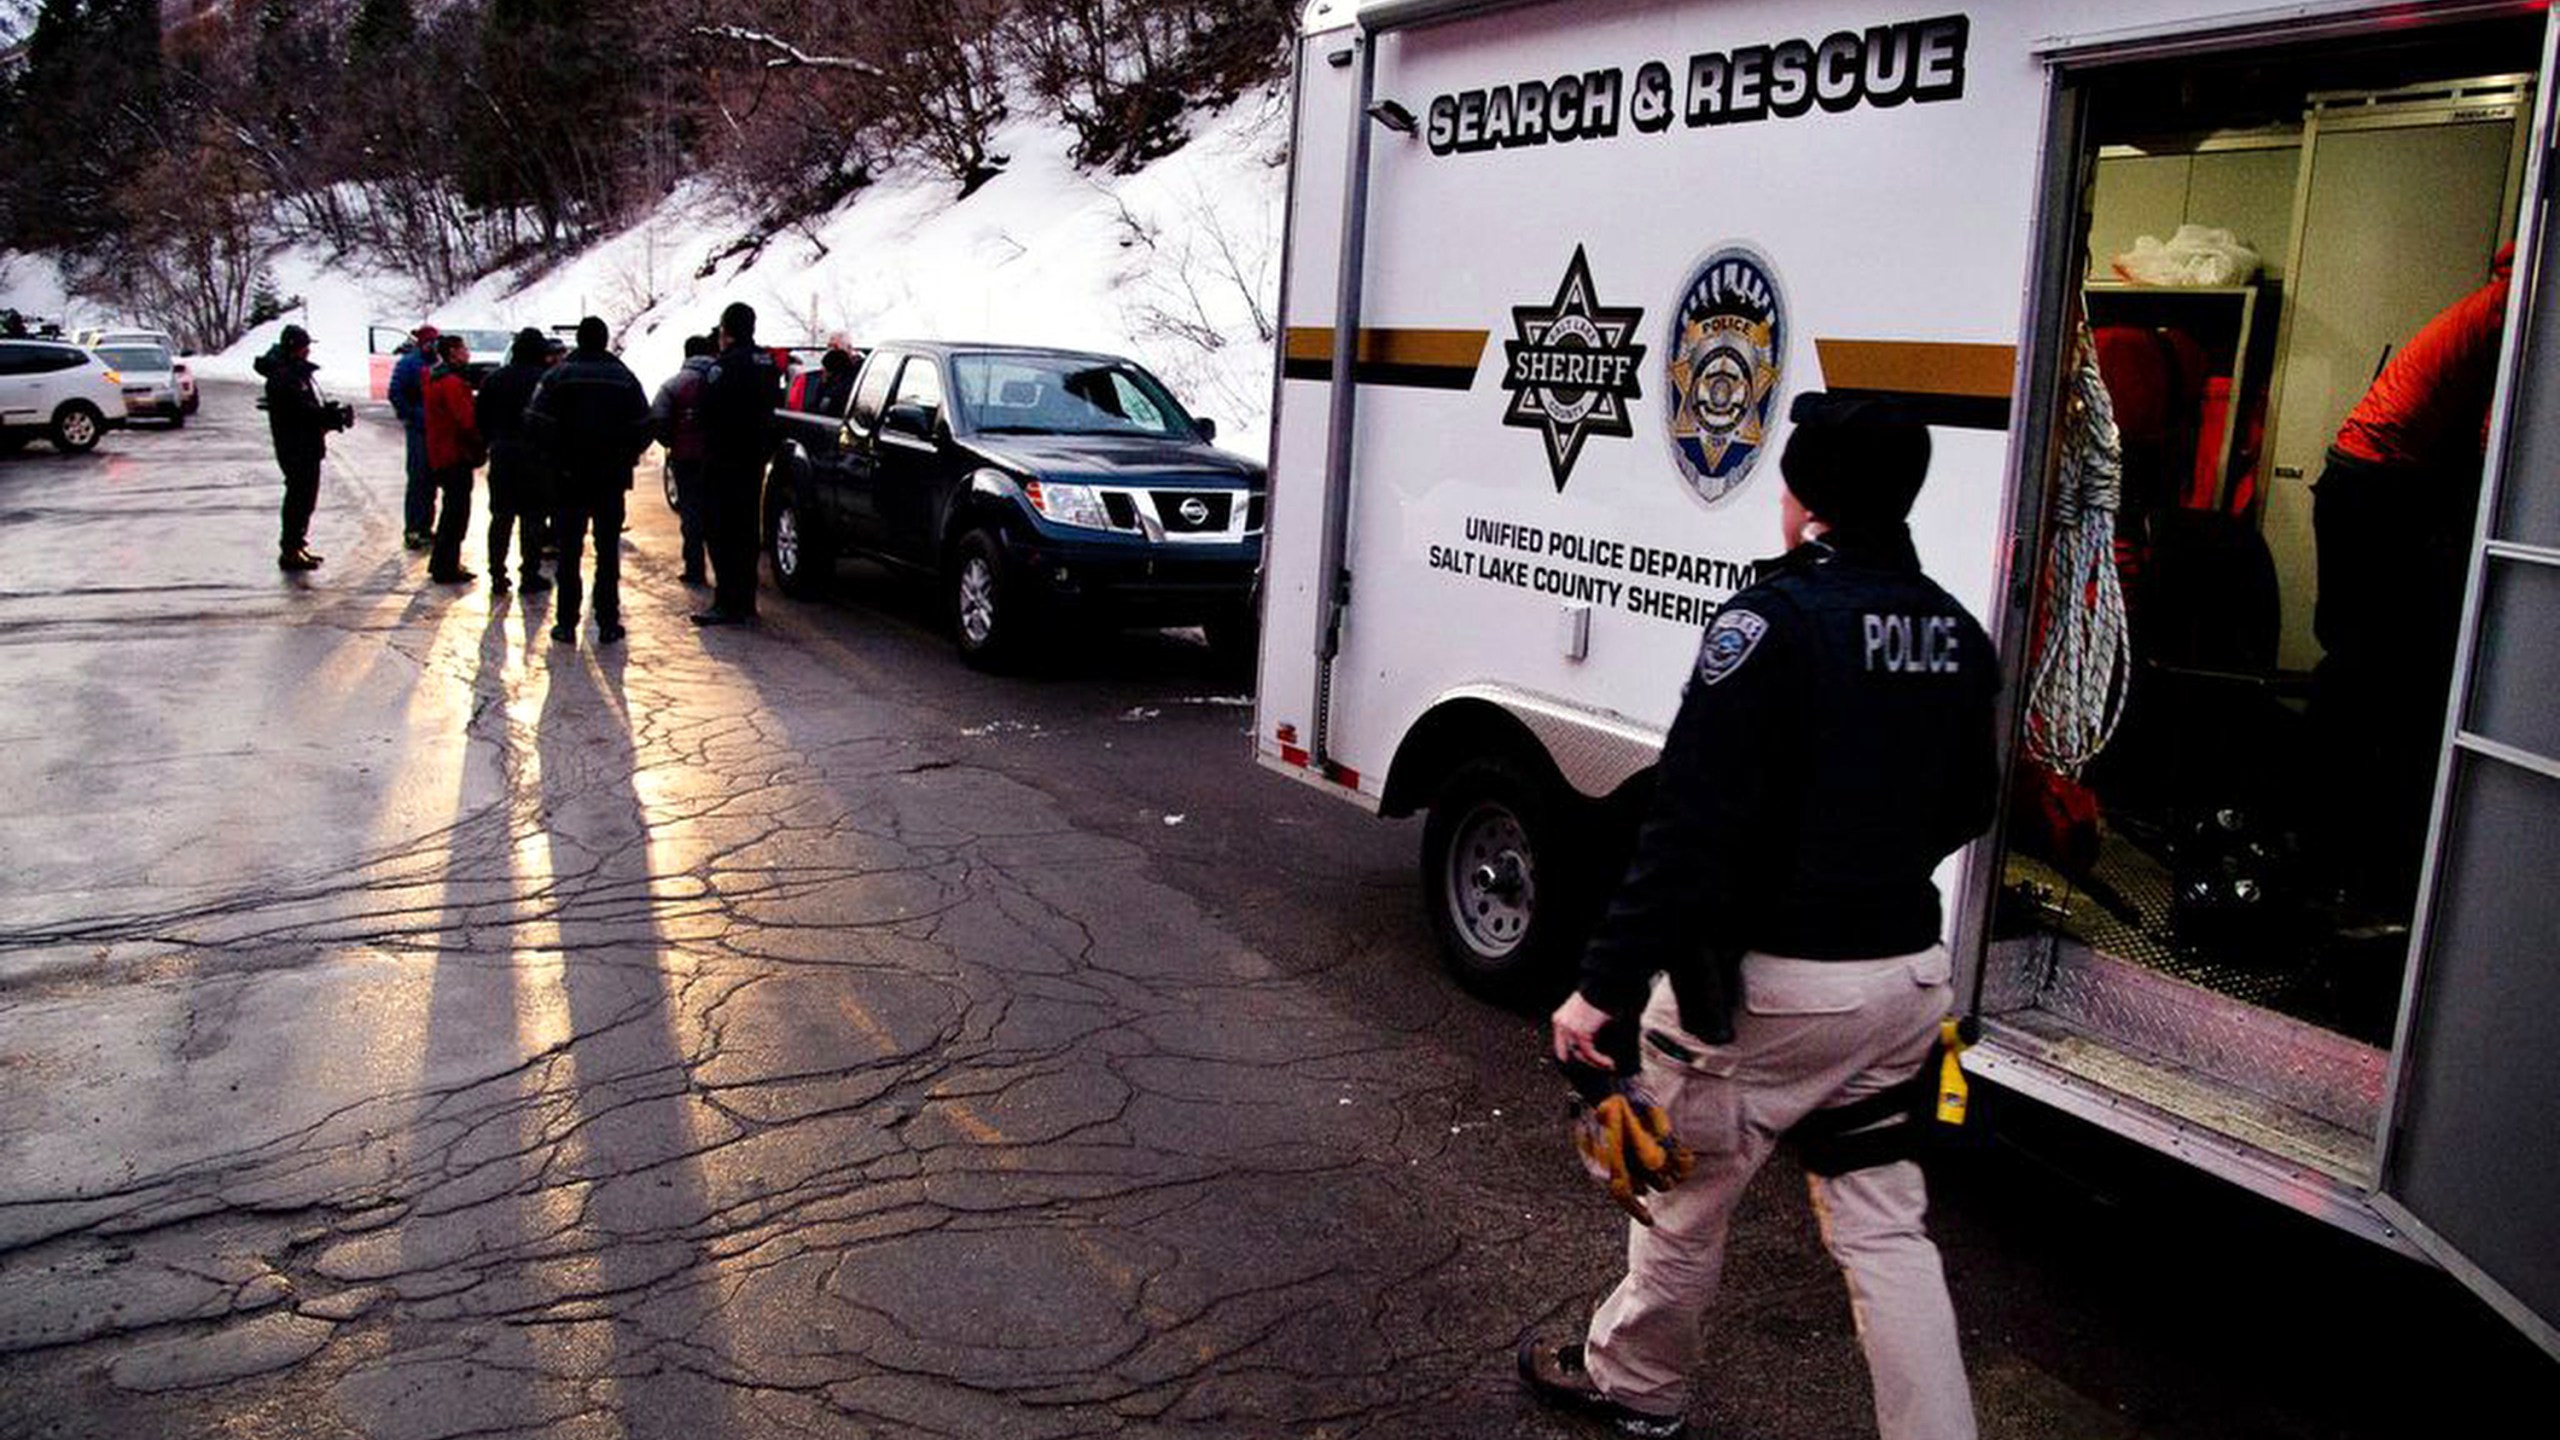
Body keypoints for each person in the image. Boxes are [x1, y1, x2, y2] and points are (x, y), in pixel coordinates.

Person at [1521, 393, 1999, 1440]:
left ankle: (1634, 1387)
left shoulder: (1767, 624)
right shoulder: (1955, 631)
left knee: (1681, 1199)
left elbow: (1686, 824)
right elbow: (1973, 801)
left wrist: (1599, 988)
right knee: (1885, 1227)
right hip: (1903, 985)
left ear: (1806, 498)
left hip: (1766, 995)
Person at [2310, 242, 2514, 914]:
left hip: (2361, 477)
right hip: (2380, 485)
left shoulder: (2493, 300)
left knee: (2360, 656)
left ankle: (2327, 817)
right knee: (2375, 666)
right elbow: (2497, 437)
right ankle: (2335, 828)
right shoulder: (2517, 307)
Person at [526, 316, 653, 646]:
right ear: (605, 339)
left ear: (579, 341)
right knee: (607, 551)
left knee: (569, 552)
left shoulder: (558, 376)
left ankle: (566, 623)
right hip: (611, 479)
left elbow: (536, 421)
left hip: (568, 478)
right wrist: (625, 456)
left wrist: (555, 457)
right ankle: (608, 621)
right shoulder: (624, 377)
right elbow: (644, 423)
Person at [694, 302, 781, 627]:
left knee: (720, 530)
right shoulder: (767, 363)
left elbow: (705, 412)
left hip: (724, 459)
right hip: (754, 459)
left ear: (725, 331)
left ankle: (726, 601)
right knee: (746, 531)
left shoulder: (724, 367)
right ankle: (746, 601)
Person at [253, 323, 340, 572]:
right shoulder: (283, 377)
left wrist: (326, 415)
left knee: (304, 498)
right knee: (298, 498)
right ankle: (290, 549)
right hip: (295, 446)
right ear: (294, 347)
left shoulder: (294, 373)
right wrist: (325, 416)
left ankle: (296, 545)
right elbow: (299, 411)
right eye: (305, 346)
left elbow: (305, 408)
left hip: (305, 444)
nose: (308, 351)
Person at [476, 328, 554, 595]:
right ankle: (529, 573)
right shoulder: (546, 380)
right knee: (533, 517)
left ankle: (497, 573)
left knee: (500, 516)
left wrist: (491, 441)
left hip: (502, 454)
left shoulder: (494, 379)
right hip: (536, 456)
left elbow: (481, 418)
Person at [651, 332, 718, 586]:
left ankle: (695, 569)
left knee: (690, 512)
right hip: (717, 457)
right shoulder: (720, 380)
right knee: (716, 512)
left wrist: (671, 441)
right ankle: (724, 573)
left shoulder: (674, 384)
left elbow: (657, 419)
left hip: (685, 456)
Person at [420, 333, 485, 584]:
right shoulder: (452, 383)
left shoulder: (433, 379)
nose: (467, 353)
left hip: (440, 452)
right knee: (456, 513)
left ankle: (442, 561)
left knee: (451, 510)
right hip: (454, 453)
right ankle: (446, 564)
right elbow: (465, 420)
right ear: (452, 352)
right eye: (463, 349)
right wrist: (478, 443)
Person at [387, 324, 440, 550]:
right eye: (429, 341)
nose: (432, 345)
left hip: (436, 428)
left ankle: (426, 526)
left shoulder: (437, 364)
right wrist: (411, 415)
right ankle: (413, 528)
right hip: (419, 428)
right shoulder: (409, 364)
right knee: (419, 478)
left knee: (432, 480)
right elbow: (395, 392)